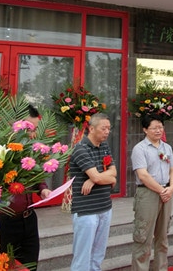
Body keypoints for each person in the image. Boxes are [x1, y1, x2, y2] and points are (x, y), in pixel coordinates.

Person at [0, 105, 51, 269]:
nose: (33, 134)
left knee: (30, 265)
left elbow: (36, 175)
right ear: (14, 124)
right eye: (29, 129)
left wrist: (43, 188)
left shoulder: (30, 149)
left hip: (28, 219)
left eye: (35, 129)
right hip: (4, 222)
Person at [70, 113, 117, 270]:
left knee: (98, 255)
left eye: (109, 128)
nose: (107, 132)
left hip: (105, 207)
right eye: (103, 128)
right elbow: (103, 176)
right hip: (86, 210)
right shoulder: (80, 149)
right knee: (82, 256)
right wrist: (101, 178)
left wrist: (94, 179)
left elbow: (114, 172)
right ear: (91, 128)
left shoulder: (104, 146)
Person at [131, 113, 173, 270]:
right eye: (154, 128)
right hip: (148, 194)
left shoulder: (167, 147)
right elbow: (143, 175)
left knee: (163, 237)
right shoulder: (140, 149)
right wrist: (162, 190)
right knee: (143, 237)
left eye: (160, 127)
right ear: (145, 129)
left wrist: (171, 188)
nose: (158, 130)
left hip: (166, 193)